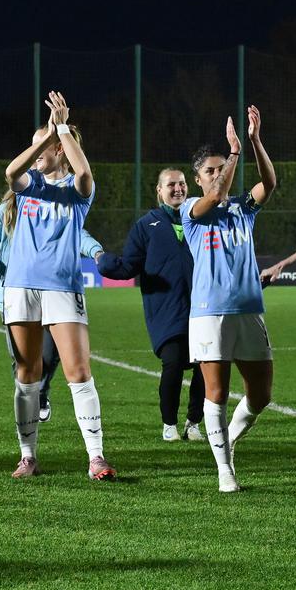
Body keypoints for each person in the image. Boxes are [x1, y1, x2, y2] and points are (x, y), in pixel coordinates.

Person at [3, 91, 116, 481]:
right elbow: (9, 173)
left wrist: (61, 129)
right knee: (27, 372)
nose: (38, 150)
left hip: (63, 288)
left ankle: (96, 458)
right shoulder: (29, 184)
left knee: (78, 371)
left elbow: (84, 175)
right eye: (37, 144)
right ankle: (28, 457)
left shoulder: (77, 191)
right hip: (20, 287)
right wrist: (45, 135)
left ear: (61, 150)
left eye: (45, 145)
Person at [181, 106, 276, 493]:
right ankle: (225, 471)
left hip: (249, 310)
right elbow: (218, 191)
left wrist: (253, 142)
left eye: (221, 167)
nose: (217, 175)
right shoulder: (191, 211)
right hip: (209, 314)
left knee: (262, 394)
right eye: (210, 170)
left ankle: (228, 440)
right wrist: (233, 153)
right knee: (216, 393)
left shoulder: (242, 209)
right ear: (197, 178)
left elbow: (269, 183)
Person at [0, 190, 105, 423]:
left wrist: (96, 251)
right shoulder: (7, 211)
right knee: (23, 360)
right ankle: (28, 404)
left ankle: (41, 392)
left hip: (52, 290)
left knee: (50, 352)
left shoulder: (52, 208)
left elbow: (77, 233)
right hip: (13, 294)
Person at [98, 169, 206, 442]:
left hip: (203, 307)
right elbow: (129, 265)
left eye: (181, 184)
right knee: (172, 363)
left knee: (206, 366)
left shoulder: (202, 219)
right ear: (159, 191)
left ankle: (194, 422)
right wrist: (104, 261)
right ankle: (169, 423)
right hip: (165, 309)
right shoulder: (146, 225)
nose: (178, 189)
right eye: (171, 185)